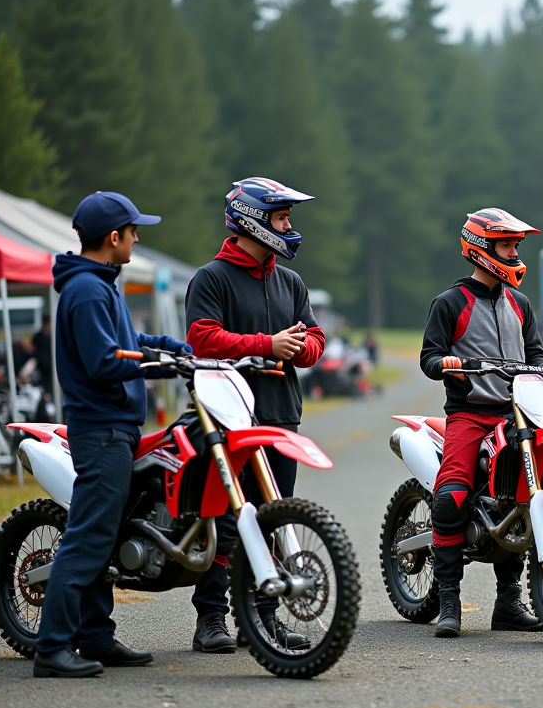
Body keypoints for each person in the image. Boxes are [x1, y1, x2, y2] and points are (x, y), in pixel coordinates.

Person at [34, 192, 191, 678]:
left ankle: (97, 638)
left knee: (105, 536)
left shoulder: (102, 283)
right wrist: (164, 367)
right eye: (133, 230)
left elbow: (128, 341)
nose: (138, 238)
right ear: (113, 237)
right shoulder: (85, 289)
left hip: (114, 429)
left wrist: (176, 348)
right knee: (87, 539)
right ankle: (53, 648)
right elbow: (106, 362)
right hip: (100, 430)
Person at [183, 177, 326, 653]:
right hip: (225, 420)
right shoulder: (211, 278)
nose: (290, 226)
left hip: (281, 416)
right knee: (224, 519)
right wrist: (268, 345)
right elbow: (202, 340)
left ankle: (261, 620)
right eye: (283, 218)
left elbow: (316, 338)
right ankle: (210, 621)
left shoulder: (291, 281)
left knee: (272, 519)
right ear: (254, 220)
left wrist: (302, 347)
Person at [419, 208, 543, 637]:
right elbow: (429, 358)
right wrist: (446, 363)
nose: (513, 253)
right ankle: (450, 602)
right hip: (470, 414)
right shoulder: (450, 302)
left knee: (523, 498)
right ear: (480, 248)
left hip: (515, 417)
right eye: (506, 245)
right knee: (449, 497)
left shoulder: (520, 303)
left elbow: (536, 354)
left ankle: (508, 603)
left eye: (516, 246)